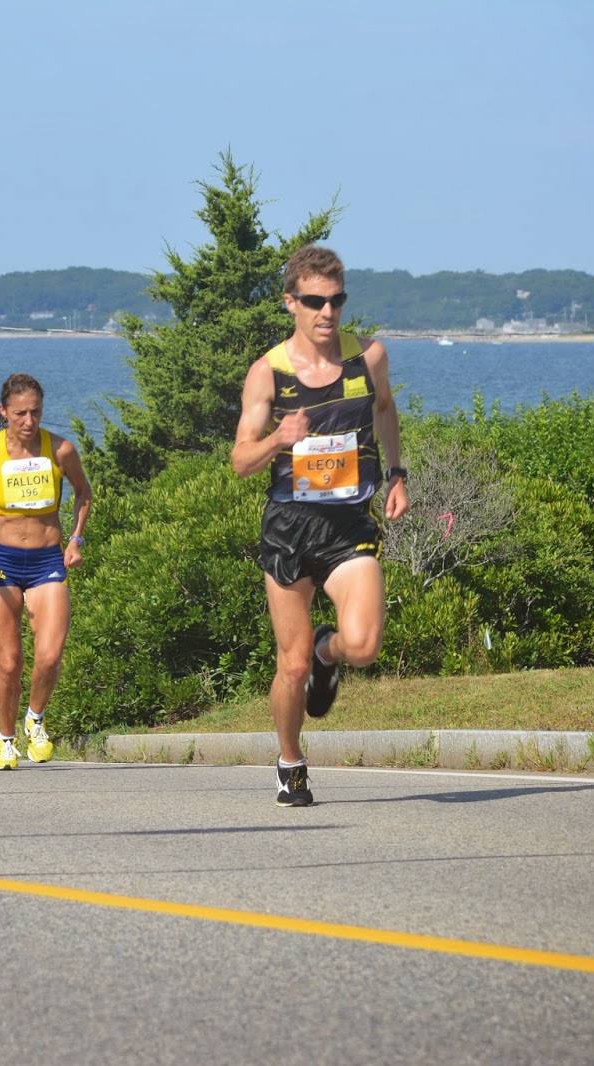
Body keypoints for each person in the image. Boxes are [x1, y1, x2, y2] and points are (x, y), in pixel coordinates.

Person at [231, 245, 410, 806]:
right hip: (288, 528)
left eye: (336, 301)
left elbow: (383, 409)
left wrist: (398, 472)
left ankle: (329, 658)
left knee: (362, 644)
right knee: (291, 660)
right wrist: (277, 441)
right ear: (291, 303)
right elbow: (240, 460)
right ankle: (290, 761)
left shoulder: (369, 358)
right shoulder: (269, 374)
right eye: (314, 302)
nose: (326, 313)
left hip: (348, 523)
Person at [0, 373, 91, 771]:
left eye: (35, 412)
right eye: (19, 414)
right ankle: (6, 740)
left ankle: (34, 720)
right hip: (1, 563)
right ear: (4, 412)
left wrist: (75, 540)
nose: (28, 421)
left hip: (48, 560)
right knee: (9, 662)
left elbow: (83, 493)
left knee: (49, 655)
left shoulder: (60, 450)